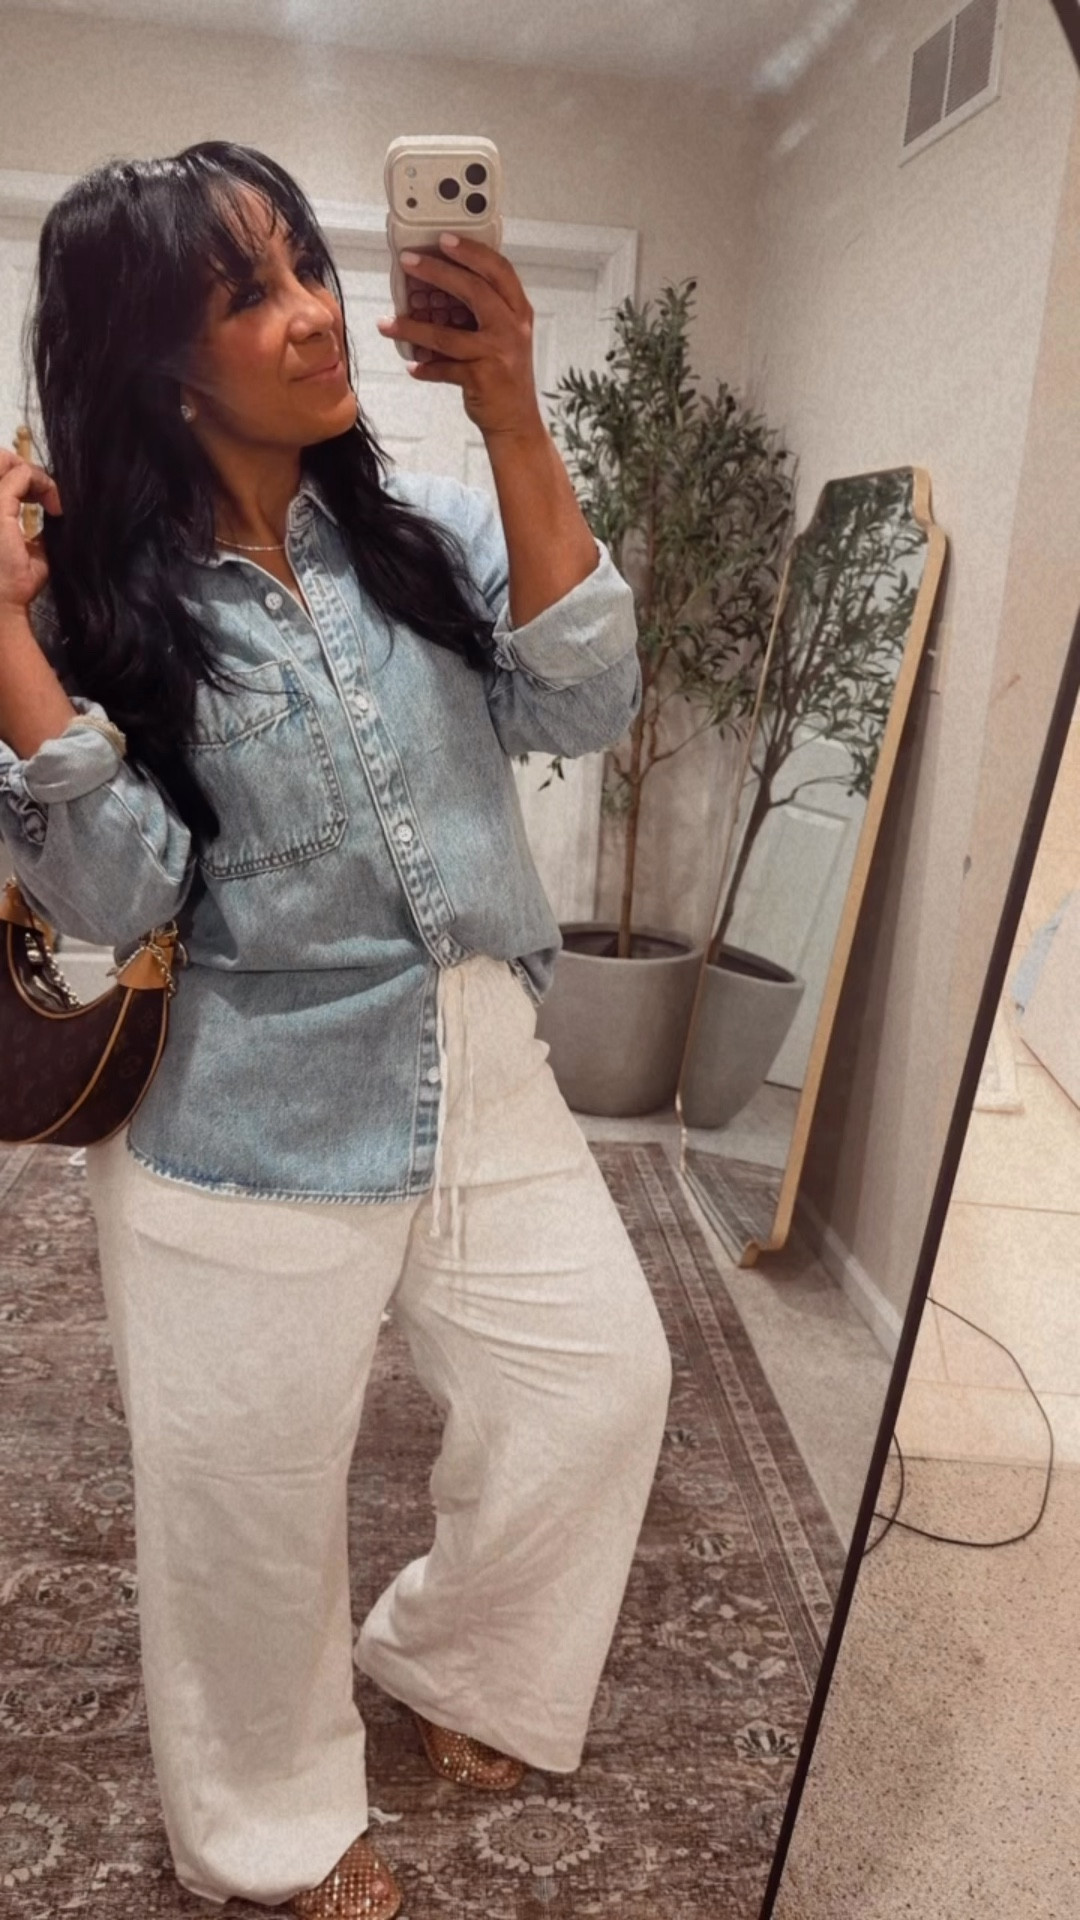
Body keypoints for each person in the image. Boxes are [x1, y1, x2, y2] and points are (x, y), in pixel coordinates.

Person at [0, 142, 671, 1920]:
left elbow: (588, 696)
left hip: (482, 1055)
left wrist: (517, 418)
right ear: (156, 361)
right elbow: (122, 891)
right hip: (247, 1113)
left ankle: (455, 1655)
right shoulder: (94, 605)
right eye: (251, 292)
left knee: (599, 1386)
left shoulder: (429, 526)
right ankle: (271, 1825)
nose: (315, 312)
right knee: (246, 1506)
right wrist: (1, 632)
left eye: (307, 261)